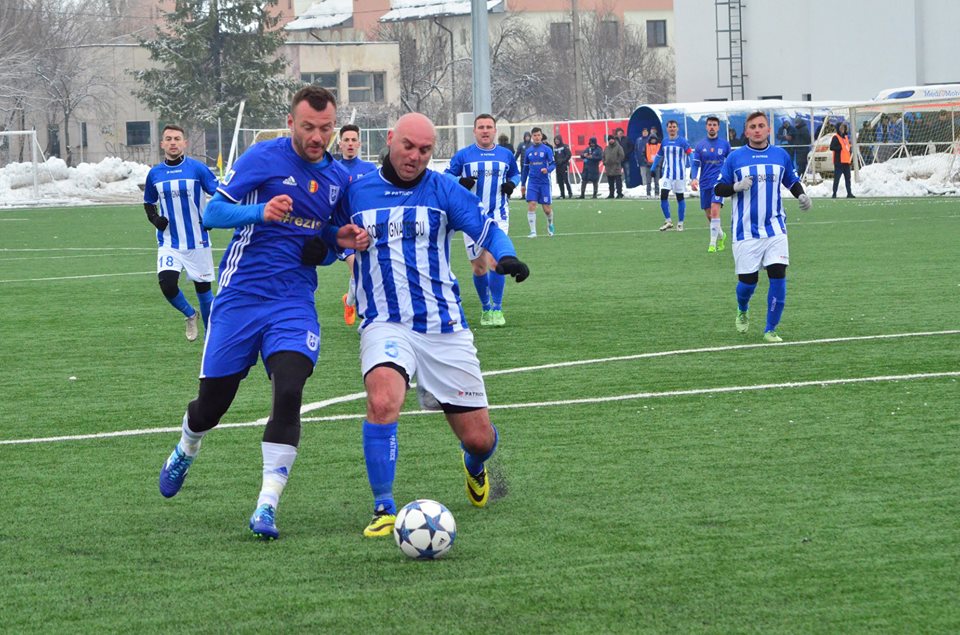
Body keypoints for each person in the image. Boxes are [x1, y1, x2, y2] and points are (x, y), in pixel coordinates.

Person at [156, 86, 370, 541]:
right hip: (241, 297)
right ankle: (187, 446)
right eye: (308, 127)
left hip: (293, 302)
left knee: (289, 389)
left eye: (326, 128)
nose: (318, 137)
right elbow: (213, 213)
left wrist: (333, 245)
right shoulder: (263, 157)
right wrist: (261, 212)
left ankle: (266, 506)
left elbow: (331, 240)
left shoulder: (339, 180)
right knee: (211, 407)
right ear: (291, 123)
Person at [337, 112, 530, 538]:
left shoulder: (443, 189)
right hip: (384, 322)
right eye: (408, 146)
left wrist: (506, 255)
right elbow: (326, 235)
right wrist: (333, 241)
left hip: (444, 326)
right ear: (391, 139)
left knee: (479, 440)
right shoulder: (356, 191)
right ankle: (384, 508)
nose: (415, 156)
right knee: (383, 401)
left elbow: (486, 228)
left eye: (425, 150)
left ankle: (473, 464)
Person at [714, 111, 812, 343]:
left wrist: (801, 194)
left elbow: (791, 180)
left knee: (778, 276)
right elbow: (718, 188)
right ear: (746, 132)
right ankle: (742, 308)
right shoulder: (735, 158)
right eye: (753, 127)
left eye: (761, 126)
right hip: (745, 231)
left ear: (768, 130)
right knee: (748, 283)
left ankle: (770, 329)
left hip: (775, 228)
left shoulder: (780, 155)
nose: (757, 130)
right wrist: (735, 186)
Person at [143, 124, 219, 342]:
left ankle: (211, 338)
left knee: (204, 292)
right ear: (162, 144)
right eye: (168, 139)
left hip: (197, 241)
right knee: (167, 285)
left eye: (177, 138)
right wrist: (155, 219)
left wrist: (212, 216)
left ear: (184, 143)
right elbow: (149, 202)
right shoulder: (155, 174)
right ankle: (190, 314)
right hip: (169, 242)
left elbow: (220, 194)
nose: (173, 143)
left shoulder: (198, 169)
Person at [445, 113, 521, 326]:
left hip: (498, 215)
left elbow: (516, 174)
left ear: (495, 130)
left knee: (496, 262)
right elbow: (446, 175)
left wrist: (512, 184)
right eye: (481, 127)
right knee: (479, 267)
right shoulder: (463, 155)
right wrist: (460, 180)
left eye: (489, 127)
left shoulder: (506, 155)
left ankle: (497, 308)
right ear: (474, 131)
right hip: (471, 217)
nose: (485, 130)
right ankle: (486, 307)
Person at [336, 124, 378, 326]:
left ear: (359, 143)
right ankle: (367, 315)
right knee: (357, 268)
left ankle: (349, 301)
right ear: (340, 144)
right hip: (343, 230)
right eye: (346, 140)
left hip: (364, 229)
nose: (350, 143)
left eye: (354, 140)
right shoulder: (333, 169)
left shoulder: (370, 169)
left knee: (364, 271)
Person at [689, 115, 731, 252]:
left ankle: (712, 244)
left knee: (714, 210)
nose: (712, 127)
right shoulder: (700, 145)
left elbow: (731, 162)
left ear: (718, 127)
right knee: (709, 215)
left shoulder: (725, 144)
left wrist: (730, 177)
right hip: (704, 183)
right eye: (710, 125)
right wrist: (694, 178)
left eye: (714, 125)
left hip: (719, 183)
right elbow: (695, 164)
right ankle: (722, 235)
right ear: (706, 127)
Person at [650, 119, 691, 231]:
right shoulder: (664, 141)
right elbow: (659, 155)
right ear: (667, 129)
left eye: (674, 127)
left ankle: (680, 223)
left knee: (680, 197)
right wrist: (653, 168)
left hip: (679, 175)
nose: (672, 129)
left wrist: (692, 168)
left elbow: (690, 155)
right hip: (667, 174)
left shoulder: (683, 142)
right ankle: (668, 221)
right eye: (670, 127)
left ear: (677, 128)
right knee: (663, 195)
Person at [520, 127, 556, 237]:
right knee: (532, 204)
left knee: (546, 209)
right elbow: (525, 168)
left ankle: (550, 223)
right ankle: (533, 232)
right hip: (532, 182)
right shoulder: (528, 151)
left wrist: (547, 170)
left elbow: (553, 164)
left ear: (541, 136)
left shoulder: (547, 149)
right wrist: (523, 184)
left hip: (544, 182)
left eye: (538, 135)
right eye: (534, 135)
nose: (537, 137)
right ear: (532, 137)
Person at [830, 121, 855, 198]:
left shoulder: (846, 138)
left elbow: (847, 149)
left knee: (848, 178)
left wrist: (850, 159)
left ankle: (849, 193)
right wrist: (839, 147)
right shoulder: (835, 137)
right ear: (838, 128)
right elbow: (831, 147)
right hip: (839, 162)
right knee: (837, 178)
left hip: (846, 162)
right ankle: (834, 193)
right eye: (841, 127)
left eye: (843, 127)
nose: (842, 129)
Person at [553, 134, 574, 199]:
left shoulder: (565, 146)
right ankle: (562, 194)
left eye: (557, 140)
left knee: (566, 180)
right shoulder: (555, 148)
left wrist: (563, 161)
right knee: (560, 181)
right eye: (555, 140)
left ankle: (570, 193)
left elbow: (569, 155)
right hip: (558, 166)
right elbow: (554, 157)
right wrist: (556, 162)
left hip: (564, 166)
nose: (556, 141)